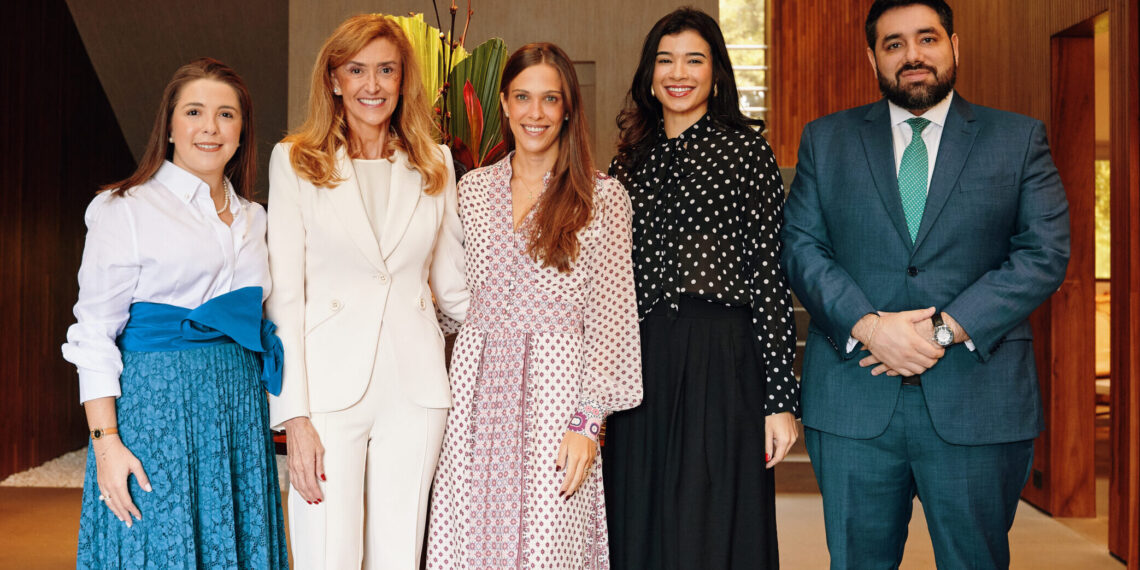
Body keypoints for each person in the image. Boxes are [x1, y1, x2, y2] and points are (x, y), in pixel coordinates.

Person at [781, 0, 1071, 567]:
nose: (912, 56)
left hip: (977, 401)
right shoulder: (826, 139)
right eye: (894, 44)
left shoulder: (1017, 139)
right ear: (872, 57)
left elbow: (1043, 253)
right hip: (852, 403)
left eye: (927, 39)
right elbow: (801, 247)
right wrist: (870, 328)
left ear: (955, 46)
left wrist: (940, 331)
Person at [62, 58, 288, 568]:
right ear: (169, 126)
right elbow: (93, 333)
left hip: (238, 410)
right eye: (194, 111)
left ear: (242, 130)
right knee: (157, 547)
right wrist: (106, 444)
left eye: (226, 114)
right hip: (157, 411)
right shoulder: (125, 208)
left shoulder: (257, 219)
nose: (210, 127)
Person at [425, 42, 642, 569]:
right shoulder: (472, 189)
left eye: (550, 99)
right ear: (503, 103)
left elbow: (613, 318)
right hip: (474, 398)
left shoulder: (601, 196)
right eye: (523, 97)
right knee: (467, 540)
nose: (535, 113)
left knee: (550, 547)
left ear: (568, 107)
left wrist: (589, 423)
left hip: (557, 400)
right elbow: (451, 300)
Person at [265, 13, 467, 569]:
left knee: (399, 554)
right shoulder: (294, 162)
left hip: (416, 389)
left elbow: (453, 287)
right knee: (325, 554)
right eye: (357, 70)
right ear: (334, 80)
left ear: (403, 81)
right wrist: (293, 415)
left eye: (386, 70)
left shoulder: (436, 164)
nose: (372, 85)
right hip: (328, 392)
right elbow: (284, 297)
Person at [601, 8, 799, 569]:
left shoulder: (746, 153)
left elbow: (768, 276)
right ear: (649, 73)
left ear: (717, 73)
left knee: (709, 524)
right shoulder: (628, 162)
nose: (678, 73)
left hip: (720, 359)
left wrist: (780, 401)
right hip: (638, 362)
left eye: (694, 59)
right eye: (665, 60)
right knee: (637, 514)